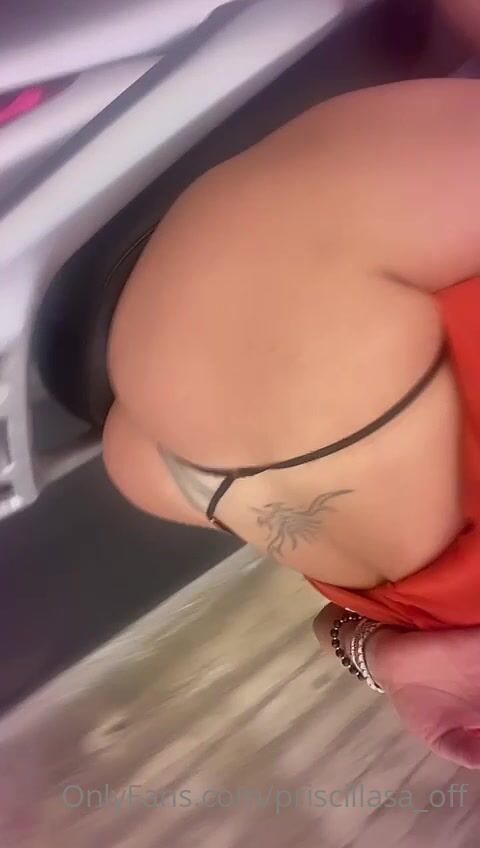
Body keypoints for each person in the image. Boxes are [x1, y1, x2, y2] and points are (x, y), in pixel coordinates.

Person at [101, 55, 480, 765]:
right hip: (205, 467)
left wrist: (396, 659)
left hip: (319, 317)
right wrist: (386, 658)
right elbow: (334, 628)